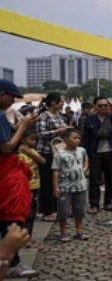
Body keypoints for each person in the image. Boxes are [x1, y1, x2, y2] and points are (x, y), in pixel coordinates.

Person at [0, 79, 38, 278]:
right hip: (6, 171)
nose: (12, 101)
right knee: (11, 214)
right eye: (11, 97)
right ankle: (11, 262)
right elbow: (6, 147)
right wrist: (23, 126)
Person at [82, 97, 112, 213]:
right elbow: (85, 137)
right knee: (94, 179)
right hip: (95, 152)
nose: (103, 108)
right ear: (95, 107)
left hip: (111, 151)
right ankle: (94, 204)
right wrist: (84, 153)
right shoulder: (90, 120)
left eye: (105, 105)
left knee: (110, 178)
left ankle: (108, 202)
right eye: (100, 105)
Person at [52, 127, 90, 243]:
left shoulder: (81, 150)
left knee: (80, 209)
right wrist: (55, 186)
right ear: (65, 139)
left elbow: (86, 160)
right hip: (65, 187)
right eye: (74, 138)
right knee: (63, 210)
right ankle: (63, 232)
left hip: (80, 186)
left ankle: (79, 231)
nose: (77, 140)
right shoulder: (59, 154)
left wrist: (84, 169)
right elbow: (56, 170)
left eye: (79, 138)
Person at [35, 92, 68, 221]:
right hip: (46, 152)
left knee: (57, 180)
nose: (62, 104)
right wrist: (57, 131)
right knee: (47, 181)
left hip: (58, 152)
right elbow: (40, 134)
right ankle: (46, 210)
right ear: (53, 102)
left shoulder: (59, 116)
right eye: (61, 102)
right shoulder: (43, 116)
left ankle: (55, 207)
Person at [18, 129, 45, 249]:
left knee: (32, 213)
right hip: (24, 187)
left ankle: (29, 237)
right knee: (25, 214)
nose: (33, 142)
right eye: (31, 139)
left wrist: (29, 152)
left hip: (35, 185)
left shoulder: (32, 151)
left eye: (35, 140)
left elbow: (42, 160)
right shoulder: (19, 153)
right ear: (22, 139)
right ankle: (23, 239)